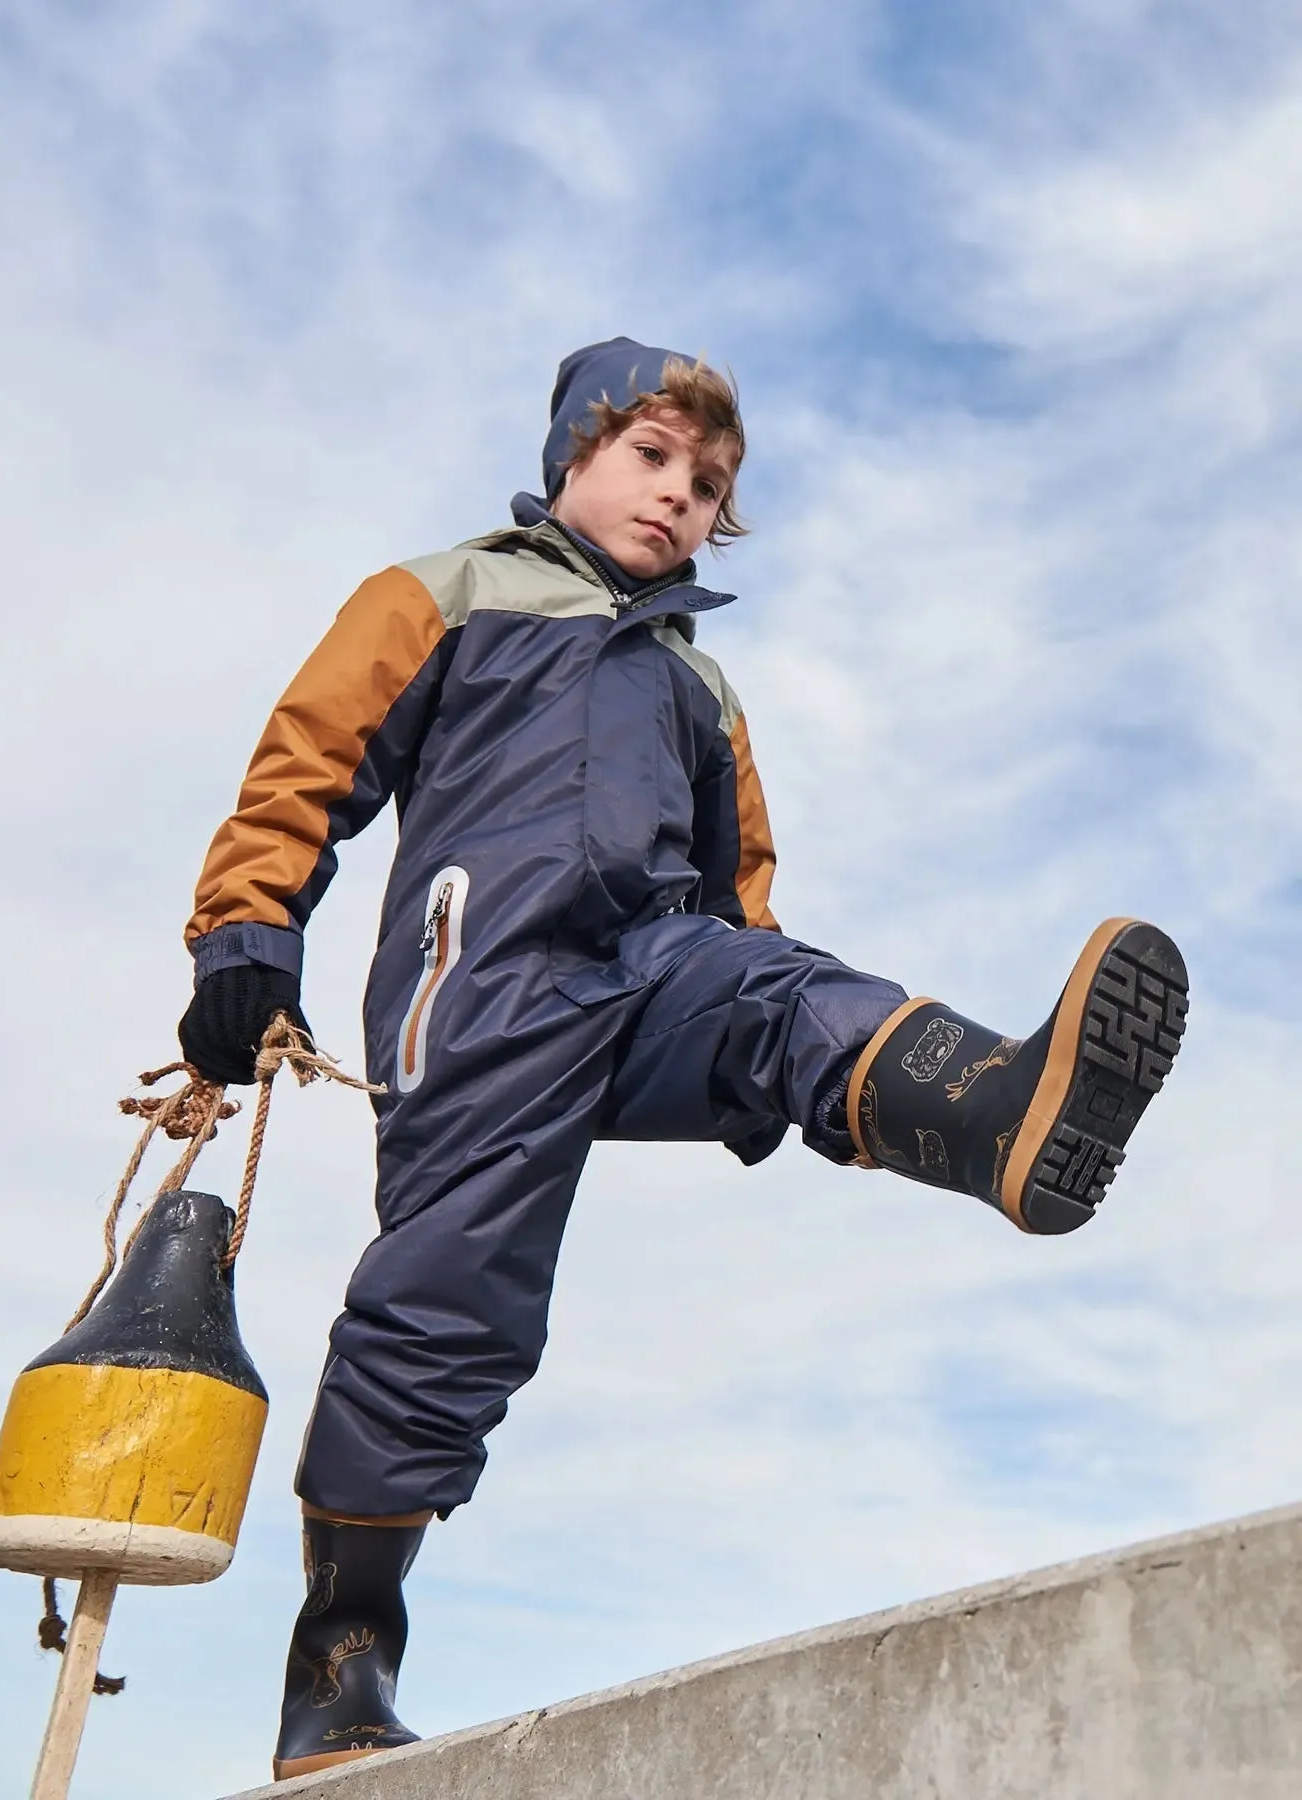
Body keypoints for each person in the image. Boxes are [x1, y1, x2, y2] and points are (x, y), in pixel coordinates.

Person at [177, 338, 1189, 1778]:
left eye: (709, 486)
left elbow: (743, 884)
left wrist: (750, 1037)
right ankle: (342, 1653)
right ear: (573, 456)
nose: (679, 499)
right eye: (653, 459)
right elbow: (310, 760)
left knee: (779, 985)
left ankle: (993, 1113)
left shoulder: (698, 685)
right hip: (484, 990)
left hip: (651, 972)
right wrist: (246, 931)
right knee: (451, 1305)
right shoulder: (447, 594)